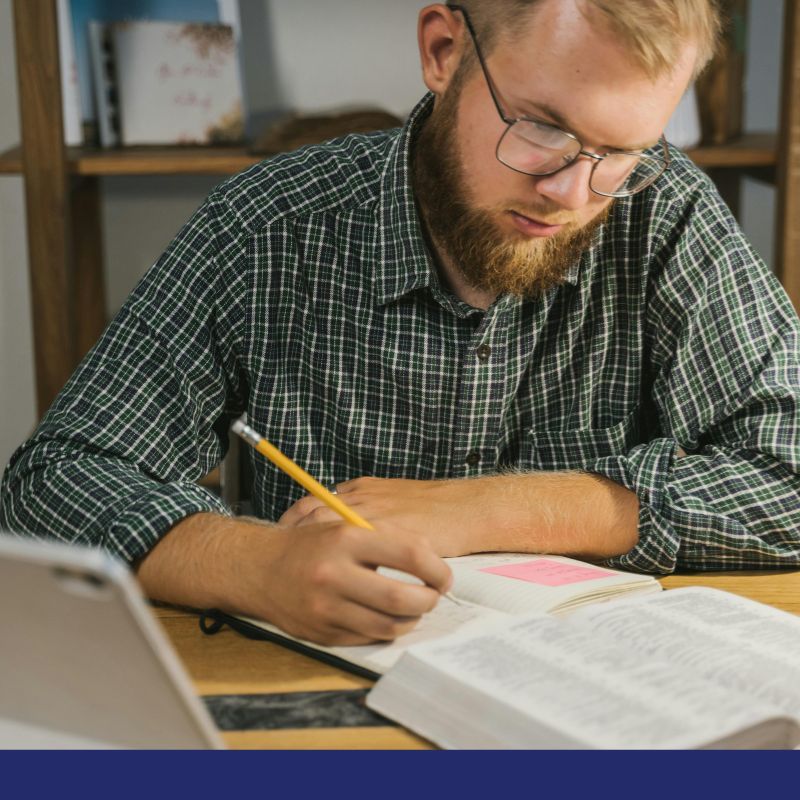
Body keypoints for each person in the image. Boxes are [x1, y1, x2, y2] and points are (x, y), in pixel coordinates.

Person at [2, 1, 799, 646]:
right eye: (543, 128)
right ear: (444, 49)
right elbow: (53, 484)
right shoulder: (268, 226)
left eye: (621, 150)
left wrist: (482, 509)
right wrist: (257, 565)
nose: (572, 194)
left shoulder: (666, 214)